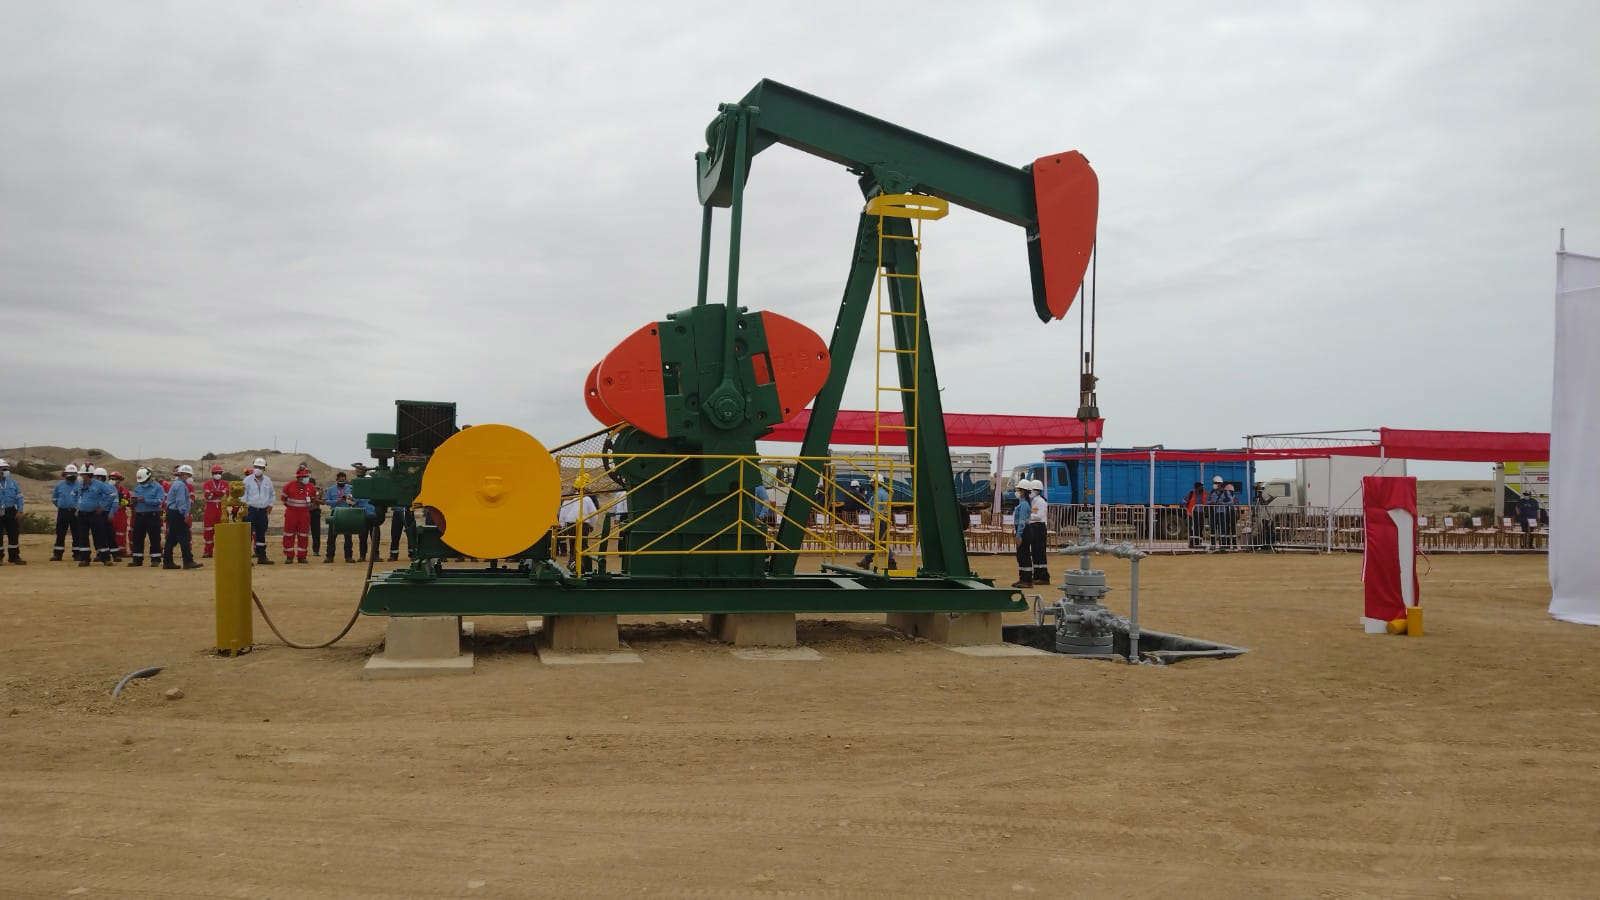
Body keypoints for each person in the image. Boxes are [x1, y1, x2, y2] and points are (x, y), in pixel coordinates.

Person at [161, 465, 201, 569]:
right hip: (177, 513)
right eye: (188, 475)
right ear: (183, 474)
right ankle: (188, 561)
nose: (189, 477)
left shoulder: (177, 484)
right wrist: (185, 514)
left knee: (171, 538)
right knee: (184, 537)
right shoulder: (181, 485)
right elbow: (181, 501)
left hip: (172, 513)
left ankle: (167, 562)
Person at [74, 467, 116, 566]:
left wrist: (103, 506)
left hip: (95, 515)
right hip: (82, 514)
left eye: (82, 475)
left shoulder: (99, 485)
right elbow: (74, 494)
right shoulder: (79, 484)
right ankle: (85, 559)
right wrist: (77, 506)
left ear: (88, 475)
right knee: (83, 537)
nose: (81, 476)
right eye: (81, 475)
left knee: (100, 536)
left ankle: (105, 558)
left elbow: (112, 495)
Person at [855, 475, 896, 571]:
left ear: (877, 483)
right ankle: (867, 561)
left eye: (872, 482)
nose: (871, 484)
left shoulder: (878, 494)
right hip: (883, 519)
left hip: (880, 520)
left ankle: (890, 562)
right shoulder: (883, 493)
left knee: (880, 541)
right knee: (878, 541)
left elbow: (875, 507)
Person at [1014, 479, 1050, 587]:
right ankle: (1036, 576)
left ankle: (1042, 577)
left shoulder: (1040, 502)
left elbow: (1038, 516)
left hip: (1038, 527)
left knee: (1039, 552)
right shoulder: (1031, 501)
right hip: (1032, 527)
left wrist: (1027, 517)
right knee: (1034, 552)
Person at [127, 467, 165, 566]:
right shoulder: (138, 487)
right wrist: (133, 501)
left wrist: (145, 500)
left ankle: (155, 559)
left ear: (149, 478)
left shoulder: (158, 487)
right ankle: (137, 560)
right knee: (137, 538)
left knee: (154, 538)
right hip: (139, 516)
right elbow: (134, 499)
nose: (142, 483)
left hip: (152, 515)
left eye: (144, 481)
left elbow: (160, 501)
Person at [279, 465, 315, 563]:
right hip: (291, 514)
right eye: (304, 477)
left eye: (307, 476)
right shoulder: (289, 486)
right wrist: (292, 507)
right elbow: (283, 499)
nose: (306, 478)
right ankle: (289, 556)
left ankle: (302, 557)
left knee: (303, 535)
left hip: (305, 515)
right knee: (288, 534)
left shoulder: (311, 487)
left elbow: (312, 501)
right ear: (299, 477)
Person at [241, 457, 274, 564]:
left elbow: (272, 494)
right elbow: (243, 495)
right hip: (250, 510)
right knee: (247, 535)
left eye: (260, 467)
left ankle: (262, 557)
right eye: (256, 467)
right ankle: (246, 559)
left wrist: (270, 505)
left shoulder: (268, 481)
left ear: (264, 469)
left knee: (261, 534)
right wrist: (244, 508)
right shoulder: (247, 480)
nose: (258, 469)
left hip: (262, 512)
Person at [558, 492, 598, 572]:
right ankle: (581, 566)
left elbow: (563, 513)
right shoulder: (586, 499)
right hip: (583, 524)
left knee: (573, 545)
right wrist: (592, 524)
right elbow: (593, 513)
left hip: (571, 524)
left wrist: (562, 526)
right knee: (582, 545)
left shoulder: (568, 498)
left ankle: (572, 563)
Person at [50, 463, 81, 561]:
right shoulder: (59, 485)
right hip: (62, 512)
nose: (71, 476)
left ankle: (77, 554)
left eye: (73, 474)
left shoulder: (80, 485)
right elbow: (54, 499)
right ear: (65, 474)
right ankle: (57, 554)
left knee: (77, 533)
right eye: (69, 474)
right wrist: (61, 505)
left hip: (76, 512)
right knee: (60, 533)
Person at [323, 471, 355, 563]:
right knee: (331, 536)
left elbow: (355, 500)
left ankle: (348, 557)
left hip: (347, 513)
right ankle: (329, 557)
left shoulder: (351, 488)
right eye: (340, 480)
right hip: (335, 513)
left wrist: (349, 499)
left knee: (348, 536)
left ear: (346, 480)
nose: (342, 481)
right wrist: (337, 501)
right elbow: (327, 501)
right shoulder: (330, 489)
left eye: (343, 480)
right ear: (336, 480)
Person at [200, 464, 229, 558]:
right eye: (216, 473)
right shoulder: (207, 483)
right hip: (210, 510)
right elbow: (207, 496)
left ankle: (222, 552)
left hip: (221, 509)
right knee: (208, 531)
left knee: (222, 531)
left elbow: (226, 494)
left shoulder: (225, 483)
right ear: (212, 474)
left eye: (219, 473)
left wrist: (213, 492)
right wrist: (220, 493)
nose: (218, 474)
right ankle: (208, 552)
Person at [0, 459, 25, 565]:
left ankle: (14, 557)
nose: (6, 471)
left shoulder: (12, 482)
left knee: (14, 534)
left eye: (7, 469)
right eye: (4, 469)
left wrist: (20, 510)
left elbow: (19, 496)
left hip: (11, 511)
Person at [1205, 476, 1236, 552]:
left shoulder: (1226, 493)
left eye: (1216, 483)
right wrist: (1211, 503)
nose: (1214, 484)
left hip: (1222, 513)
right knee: (1212, 530)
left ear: (1220, 484)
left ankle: (1223, 545)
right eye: (1214, 483)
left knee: (1222, 529)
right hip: (1213, 513)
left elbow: (1231, 502)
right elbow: (1207, 501)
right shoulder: (1211, 492)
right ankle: (1213, 545)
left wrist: (1222, 503)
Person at [107, 471, 131, 562]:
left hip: (121, 514)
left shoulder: (124, 490)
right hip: (110, 513)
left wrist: (125, 502)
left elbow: (129, 501)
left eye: (116, 479)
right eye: (112, 478)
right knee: (109, 533)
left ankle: (121, 551)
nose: (114, 480)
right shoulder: (106, 489)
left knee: (121, 533)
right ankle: (109, 551)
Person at [1183, 481, 1207, 549]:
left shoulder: (1204, 493)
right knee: (1193, 528)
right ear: (1196, 488)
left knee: (1200, 528)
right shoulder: (1191, 493)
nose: (1202, 488)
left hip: (1201, 513)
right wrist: (1186, 508)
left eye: (1202, 487)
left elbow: (1207, 501)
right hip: (1192, 513)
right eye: (1200, 487)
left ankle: (1199, 542)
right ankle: (1192, 543)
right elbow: (1184, 501)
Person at [306, 476, 322, 558]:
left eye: (312, 485)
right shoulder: (304, 490)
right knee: (303, 532)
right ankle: (303, 549)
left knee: (316, 532)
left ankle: (316, 550)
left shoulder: (318, 490)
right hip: (305, 512)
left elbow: (322, 501)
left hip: (315, 512)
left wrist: (314, 499)